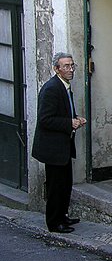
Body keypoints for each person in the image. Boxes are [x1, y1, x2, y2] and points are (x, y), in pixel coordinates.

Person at [32, 52, 86, 233]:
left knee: (65, 183)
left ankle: (62, 215)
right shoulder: (51, 88)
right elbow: (45, 119)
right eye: (66, 66)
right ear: (57, 69)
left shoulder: (64, 86)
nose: (70, 70)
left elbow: (63, 112)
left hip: (63, 146)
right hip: (53, 148)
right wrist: (69, 123)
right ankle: (54, 222)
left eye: (72, 66)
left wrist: (75, 118)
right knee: (56, 185)